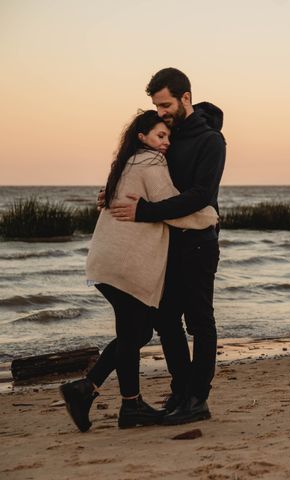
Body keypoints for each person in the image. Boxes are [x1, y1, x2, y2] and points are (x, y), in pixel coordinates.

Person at [60, 110, 218, 432]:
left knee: (137, 332)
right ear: (142, 136)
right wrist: (209, 217)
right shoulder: (150, 163)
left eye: (169, 137)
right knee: (134, 335)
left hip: (106, 263)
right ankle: (128, 406)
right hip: (124, 265)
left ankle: (87, 390)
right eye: (160, 136)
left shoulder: (126, 162)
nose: (166, 143)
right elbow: (171, 207)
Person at [109, 68, 226, 425]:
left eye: (165, 105)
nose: (161, 113)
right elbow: (146, 177)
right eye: (157, 106)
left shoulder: (211, 141)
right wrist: (111, 194)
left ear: (185, 98)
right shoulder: (167, 137)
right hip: (165, 244)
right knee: (165, 320)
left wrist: (145, 211)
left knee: (200, 323)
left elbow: (199, 197)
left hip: (199, 246)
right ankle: (181, 390)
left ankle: (197, 398)